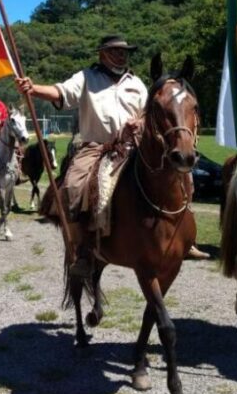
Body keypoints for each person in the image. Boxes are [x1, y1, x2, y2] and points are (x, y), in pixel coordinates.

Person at [16, 34, 148, 277]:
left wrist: (139, 123)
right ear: (103, 54)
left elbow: (147, 113)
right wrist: (33, 89)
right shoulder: (87, 77)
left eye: (124, 51)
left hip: (135, 145)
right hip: (97, 146)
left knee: (174, 176)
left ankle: (182, 237)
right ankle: (82, 248)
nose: (122, 55)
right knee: (73, 186)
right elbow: (60, 93)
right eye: (116, 51)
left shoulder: (137, 83)